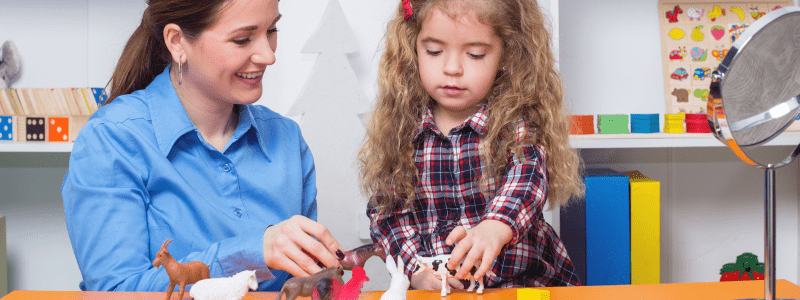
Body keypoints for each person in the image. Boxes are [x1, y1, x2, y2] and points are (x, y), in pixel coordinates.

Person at [61, 0, 345, 292]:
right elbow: (115, 292)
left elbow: (306, 284)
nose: (268, 55)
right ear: (177, 42)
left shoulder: (287, 139)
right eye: (243, 39)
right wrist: (251, 252)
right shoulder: (111, 140)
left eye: (271, 30)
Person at [359, 0, 585, 290]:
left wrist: (496, 226)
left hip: (520, 284)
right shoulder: (401, 129)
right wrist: (416, 270)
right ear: (412, 48)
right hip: (444, 289)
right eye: (434, 51)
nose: (452, 68)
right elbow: (388, 215)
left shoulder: (515, 121)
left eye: (476, 54)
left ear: (506, 54)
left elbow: (528, 177)